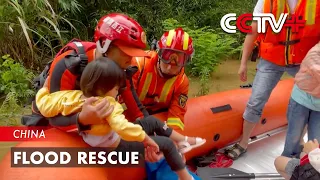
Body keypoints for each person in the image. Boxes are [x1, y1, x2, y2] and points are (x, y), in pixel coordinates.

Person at [21, 12, 162, 162]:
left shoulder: (121, 68)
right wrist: (82, 119)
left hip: (85, 122)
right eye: (127, 52)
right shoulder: (69, 65)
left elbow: (137, 110)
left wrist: (150, 137)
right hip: (49, 118)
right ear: (104, 45)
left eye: (134, 53)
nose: (131, 59)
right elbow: (53, 117)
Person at [35, 57, 204, 180]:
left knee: (151, 121)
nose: (118, 93)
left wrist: (43, 89)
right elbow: (122, 127)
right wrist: (145, 139)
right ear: (107, 88)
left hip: (106, 137)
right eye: (117, 89)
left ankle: (183, 140)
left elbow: (47, 104)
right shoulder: (109, 105)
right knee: (166, 144)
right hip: (116, 145)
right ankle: (184, 177)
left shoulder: (74, 97)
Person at [224, 0, 320, 160]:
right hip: (271, 60)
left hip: (303, 61)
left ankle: (300, 144)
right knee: (256, 100)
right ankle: (243, 143)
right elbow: (253, 32)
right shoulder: (265, 2)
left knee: (307, 102)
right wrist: (243, 63)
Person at [120, 27, 194, 131]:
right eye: (167, 56)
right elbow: (124, 102)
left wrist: (171, 137)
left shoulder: (182, 82)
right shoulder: (138, 66)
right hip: (129, 121)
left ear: (186, 61)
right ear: (159, 52)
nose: (170, 65)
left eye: (179, 59)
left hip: (156, 118)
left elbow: (176, 115)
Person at [280, 41, 320, 158]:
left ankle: (309, 168)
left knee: (316, 141)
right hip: (301, 100)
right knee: (294, 137)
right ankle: (286, 161)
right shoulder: (315, 53)